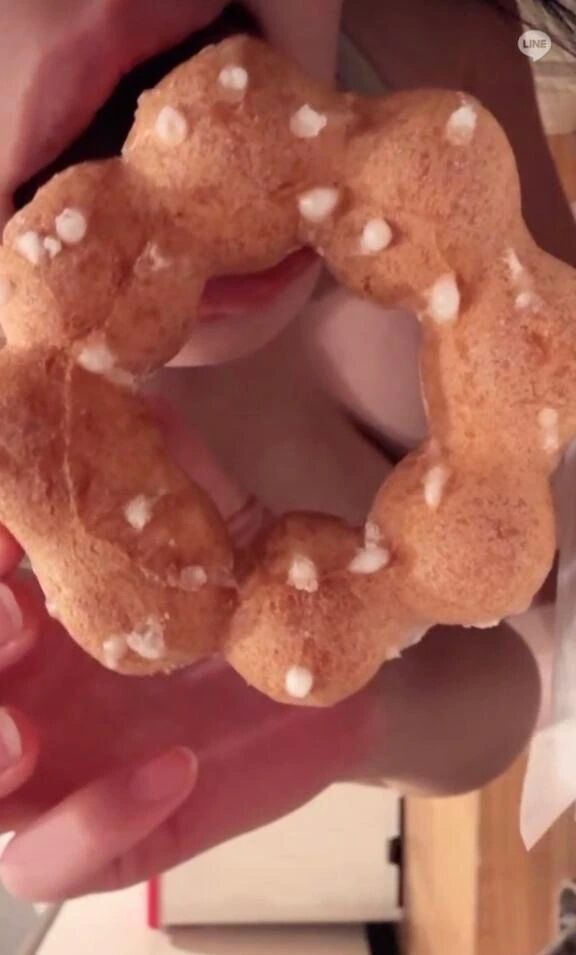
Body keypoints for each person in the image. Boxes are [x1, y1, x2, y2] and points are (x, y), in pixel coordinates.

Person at [0, 0, 573, 902]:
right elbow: (511, 685)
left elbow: (535, 548)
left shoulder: (421, 67)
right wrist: (347, 726)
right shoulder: (77, 523)